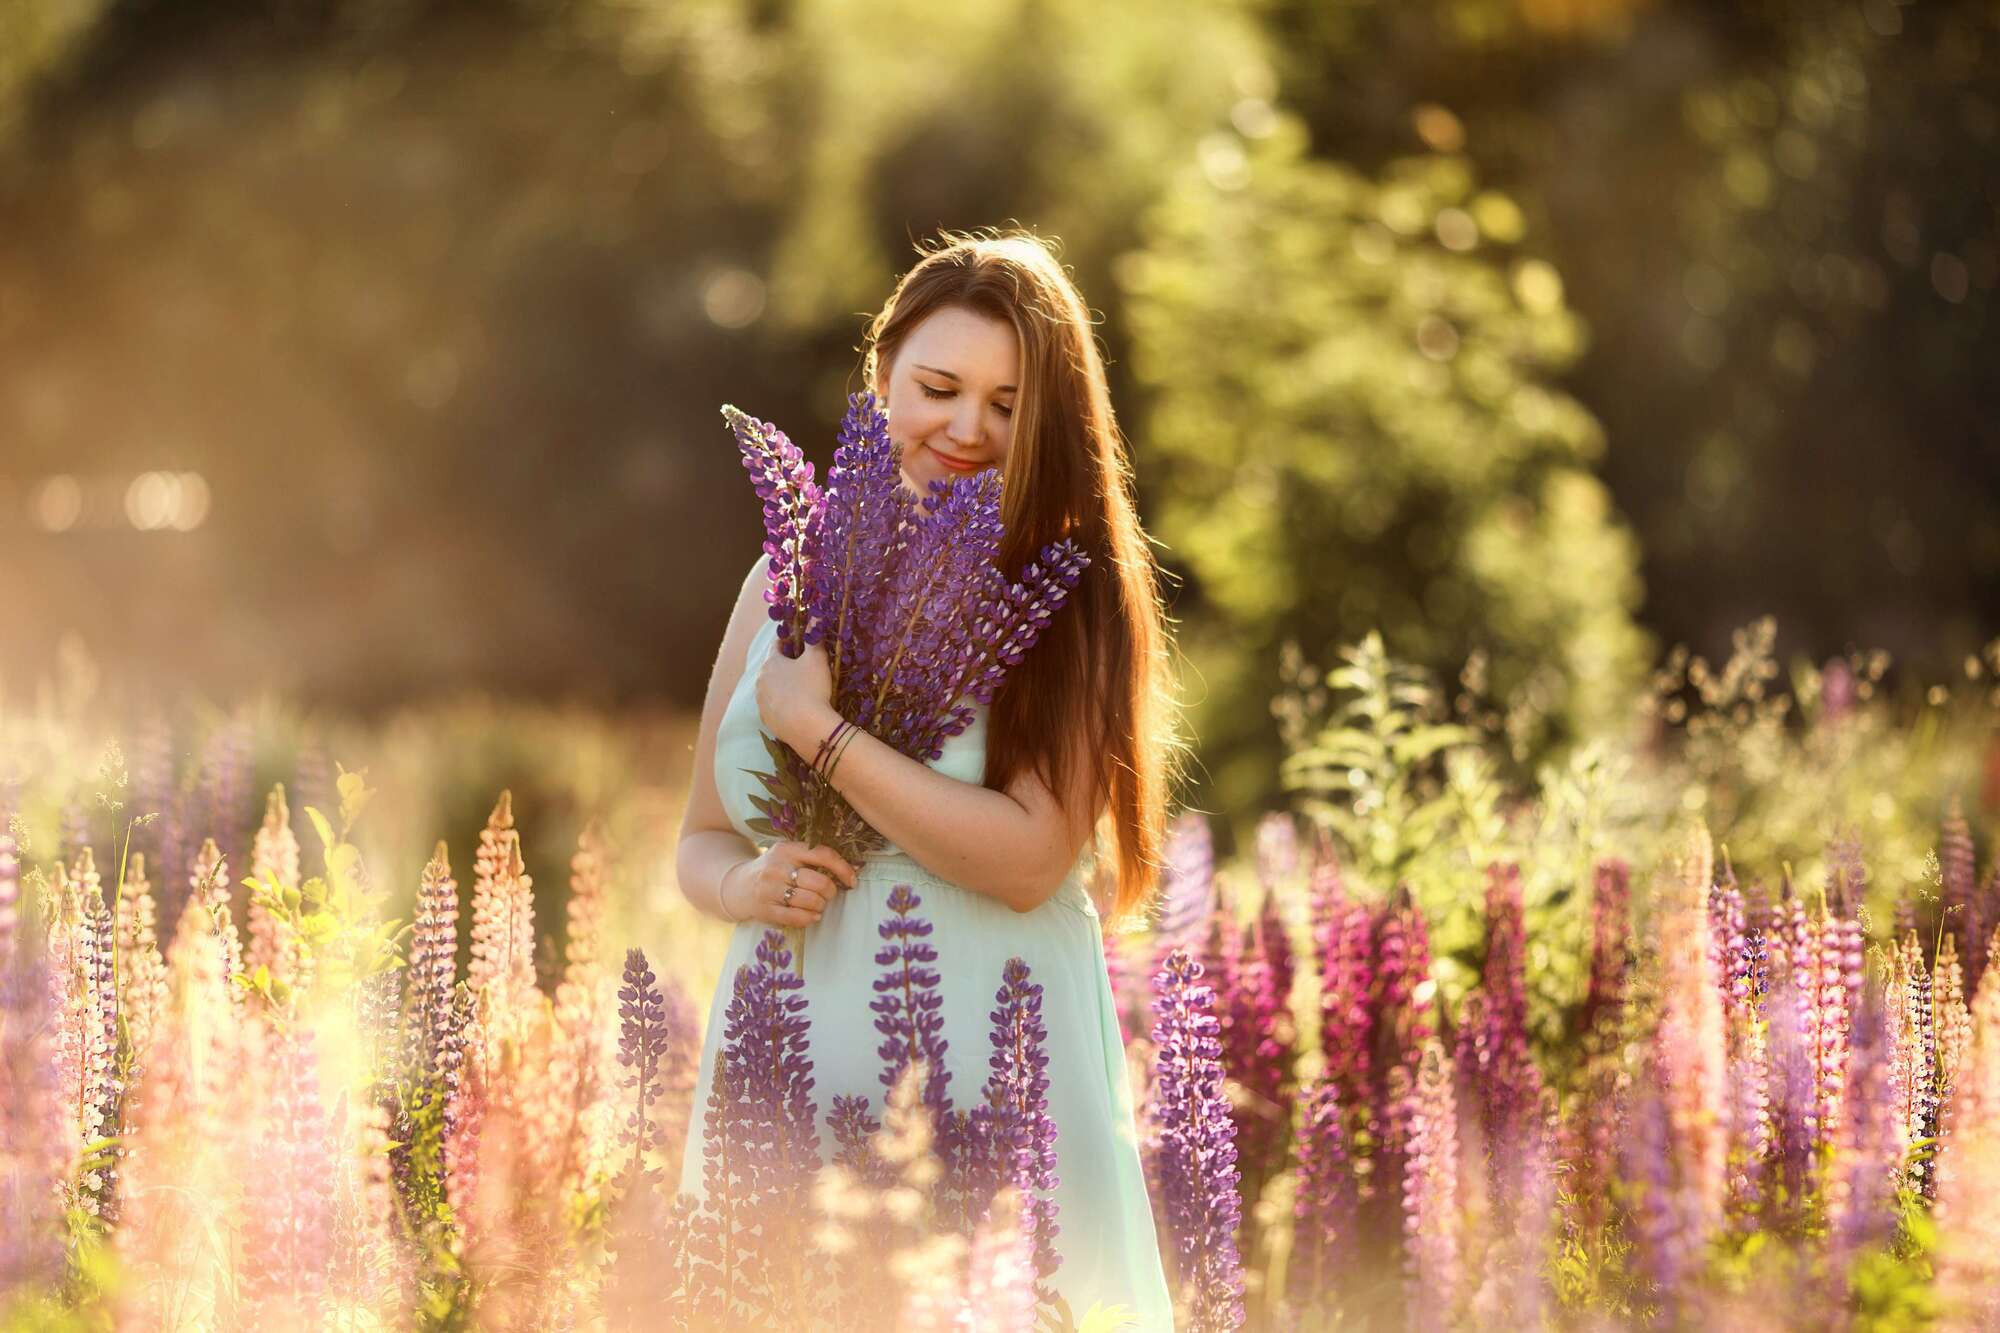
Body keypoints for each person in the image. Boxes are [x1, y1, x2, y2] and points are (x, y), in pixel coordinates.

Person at [674, 227, 1191, 1330]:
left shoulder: (1063, 594)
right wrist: (742, 886)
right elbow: (700, 840)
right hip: (787, 1044)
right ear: (882, 374)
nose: (967, 428)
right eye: (940, 387)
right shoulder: (781, 576)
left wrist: (817, 733)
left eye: (1007, 405)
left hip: (989, 1063)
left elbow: (1028, 859)